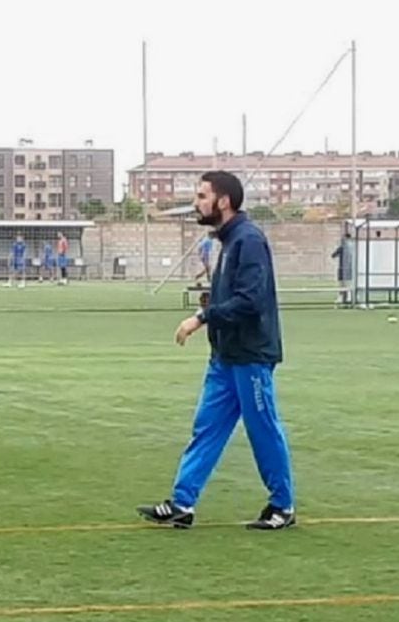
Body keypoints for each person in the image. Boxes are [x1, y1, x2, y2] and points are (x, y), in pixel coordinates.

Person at [137, 171, 296, 531]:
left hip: (251, 356)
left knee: (263, 428)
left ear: (223, 201)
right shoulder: (229, 240)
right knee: (206, 429)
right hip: (225, 357)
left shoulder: (248, 240)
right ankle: (182, 503)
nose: (196, 202)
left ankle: (282, 506)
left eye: (202, 195)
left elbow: (251, 300)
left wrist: (201, 318)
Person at [331, 232, 353, 305]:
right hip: (350, 268)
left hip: (343, 268)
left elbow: (333, 255)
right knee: (347, 283)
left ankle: (343, 297)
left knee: (343, 284)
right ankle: (347, 297)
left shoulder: (343, 247)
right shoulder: (353, 247)